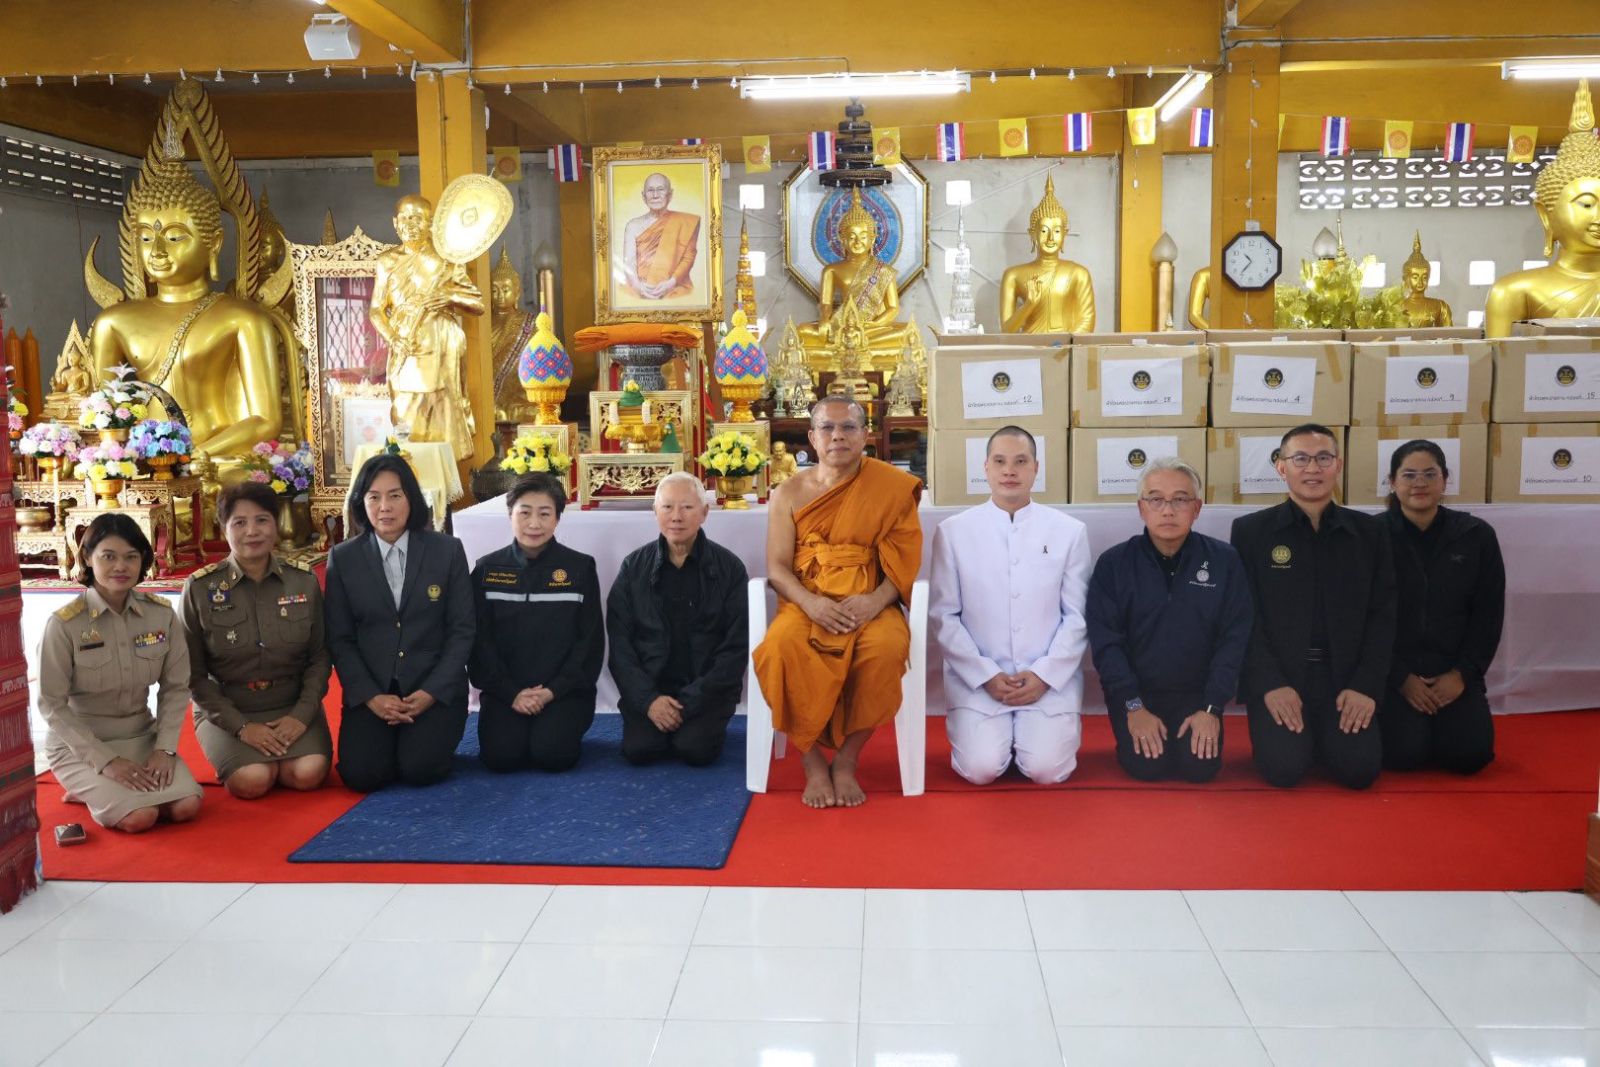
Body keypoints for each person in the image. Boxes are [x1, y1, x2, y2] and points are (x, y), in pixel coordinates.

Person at [752, 396, 923, 808]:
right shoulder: (789, 492)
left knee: (885, 649)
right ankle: (812, 761)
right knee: (780, 648)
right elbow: (777, 569)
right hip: (807, 602)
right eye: (827, 428)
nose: (838, 436)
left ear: (865, 436)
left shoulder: (891, 487)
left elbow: (903, 564)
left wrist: (875, 602)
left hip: (870, 602)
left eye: (848, 427)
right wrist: (811, 604)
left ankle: (847, 760)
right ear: (812, 438)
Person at [1231, 424, 1396, 790]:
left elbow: (1383, 616)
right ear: (1281, 467)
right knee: (1284, 769)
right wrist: (1270, 684)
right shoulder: (1251, 532)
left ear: (1338, 465)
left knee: (1359, 771)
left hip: (1345, 679)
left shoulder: (1369, 533)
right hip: (1283, 677)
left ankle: (1326, 738)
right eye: (1300, 459)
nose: (1313, 468)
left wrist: (1365, 686)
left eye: (1323, 458)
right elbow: (1243, 618)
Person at [930, 426, 1091, 784]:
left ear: (1036, 468)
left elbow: (1077, 616)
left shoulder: (1068, 531)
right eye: (1000, 461)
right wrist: (984, 674)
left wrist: (1045, 674)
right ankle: (999, 739)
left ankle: (1030, 737)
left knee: (1047, 771)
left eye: (1020, 461)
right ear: (986, 468)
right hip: (979, 679)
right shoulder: (954, 531)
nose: (1010, 471)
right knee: (981, 770)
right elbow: (944, 615)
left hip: (1047, 678)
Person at [1087, 458, 1253, 783]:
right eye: (1156, 499)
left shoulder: (1224, 561)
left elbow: (1234, 638)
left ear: (1197, 508)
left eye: (1180, 500)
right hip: (1137, 694)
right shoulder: (1114, 564)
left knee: (1200, 768)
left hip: (1198, 695)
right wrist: (1133, 706)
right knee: (1147, 767)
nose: (1167, 510)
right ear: (1141, 508)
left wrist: (1212, 708)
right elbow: (1106, 644)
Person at [37, 513, 202, 832]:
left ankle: (101, 791)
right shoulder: (64, 624)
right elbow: (51, 704)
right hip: (82, 745)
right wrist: (106, 761)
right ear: (88, 558)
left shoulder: (160, 615)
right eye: (108, 556)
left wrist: (165, 748)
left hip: (140, 736)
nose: (120, 567)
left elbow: (176, 687)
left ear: (143, 560)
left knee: (186, 807)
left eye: (131, 557)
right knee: (141, 817)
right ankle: (89, 787)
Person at [325, 454, 473, 792]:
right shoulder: (344, 558)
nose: (384, 507)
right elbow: (340, 638)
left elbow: (462, 630)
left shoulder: (447, 551)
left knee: (421, 769)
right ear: (361, 502)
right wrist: (371, 697)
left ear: (412, 498)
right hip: (374, 688)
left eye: (395, 495)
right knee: (362, 775)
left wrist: (431, 692)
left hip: (432, 685)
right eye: (373, 497)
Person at [179, 482, 332, 799]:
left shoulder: (303, 581)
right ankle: (244, 755)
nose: (252, 531)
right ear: (224, 528)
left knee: (308, 773)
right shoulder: (200, 588)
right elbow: (191, 673)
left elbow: (320, 656)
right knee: (253, 780)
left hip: (291, 703)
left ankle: (282, 754)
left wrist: (301, 716)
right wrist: (241, 727)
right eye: (239, 522)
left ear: (276, 524)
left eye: (262, 520)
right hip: (230, 707)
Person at [608, 472, 748, 766]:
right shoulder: (633, 567)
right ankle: (658, 716)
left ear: (704, 512)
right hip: (652, 686)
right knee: (640, 750)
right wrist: (648, 700)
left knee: (694, 750)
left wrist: (691, 700)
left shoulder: (730, 568)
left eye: (687, 507)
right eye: (667, 507)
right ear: (654, 511)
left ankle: (694, 725)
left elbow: (736, 648)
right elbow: (621, 646)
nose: (676, 516)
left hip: (706, 690)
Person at [1380, 440, 1504, 774]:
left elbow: (1488, 614)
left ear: (1445, 480)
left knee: (1468, 757)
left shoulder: (1476, 535)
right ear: (1392, 482)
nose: (1419, 483)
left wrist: (1462, 674)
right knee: (1403, 755)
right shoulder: (1372, 536)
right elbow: (1362, 617)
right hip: (1394, 674)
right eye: (1409, 475)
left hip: (1453, 671)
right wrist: (1401, 677)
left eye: (1429, 474)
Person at [469, 472, 603, 772]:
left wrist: (552, 691)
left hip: (564, 692)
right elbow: (479, 642)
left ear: (557, 518)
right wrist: (511, 693)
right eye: (525, 513)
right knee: (501, 759)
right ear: (510, 514)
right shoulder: (487, 570)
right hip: (505, 692)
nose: (534, 523)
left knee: (552, 755)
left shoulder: (580, 568)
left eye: (544, 514)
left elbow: (589, 642)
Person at [622, 172, 701, 300]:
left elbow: (688, 257)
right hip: (639, 287)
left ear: (670, 194)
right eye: (650, 190)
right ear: (643, 196)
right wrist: (638, 287)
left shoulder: (685, 222)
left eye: (660, 189)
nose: (655, 195)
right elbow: (629, 261)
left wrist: (671, 283)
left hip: (673, 287)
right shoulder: (633, 226)